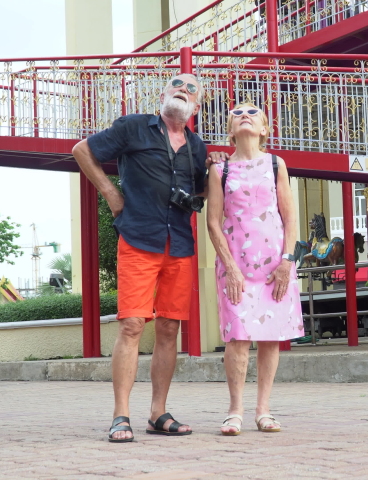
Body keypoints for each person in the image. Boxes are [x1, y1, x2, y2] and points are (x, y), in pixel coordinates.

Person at [72, 74, 207, 443]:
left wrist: (223, 167)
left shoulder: (198, 147)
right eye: (176, 85)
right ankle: (120, 415)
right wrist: (111, 194)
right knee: (132, 324)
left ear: (197, 106)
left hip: (178, 243)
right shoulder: (134, 127)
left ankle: (158, 413)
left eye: (191, 89)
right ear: (163, 95)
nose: (183, 89)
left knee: (169, 328)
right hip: (138, 238)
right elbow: (82, 150)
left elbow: (201, 191)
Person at [206, 103, 304, 435]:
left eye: (253, 112)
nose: (244, 114)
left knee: (269, 338)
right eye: (236, 112)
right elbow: (213, 223)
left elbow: (290, 218)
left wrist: (287, 261)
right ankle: (235, 410)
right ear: (230, 131)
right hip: (236, 268)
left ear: (264, 128)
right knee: (237, 337)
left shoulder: (276, 163)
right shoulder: (221, 170)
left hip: (275, 267)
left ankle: (264, 410)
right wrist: (230, 267)